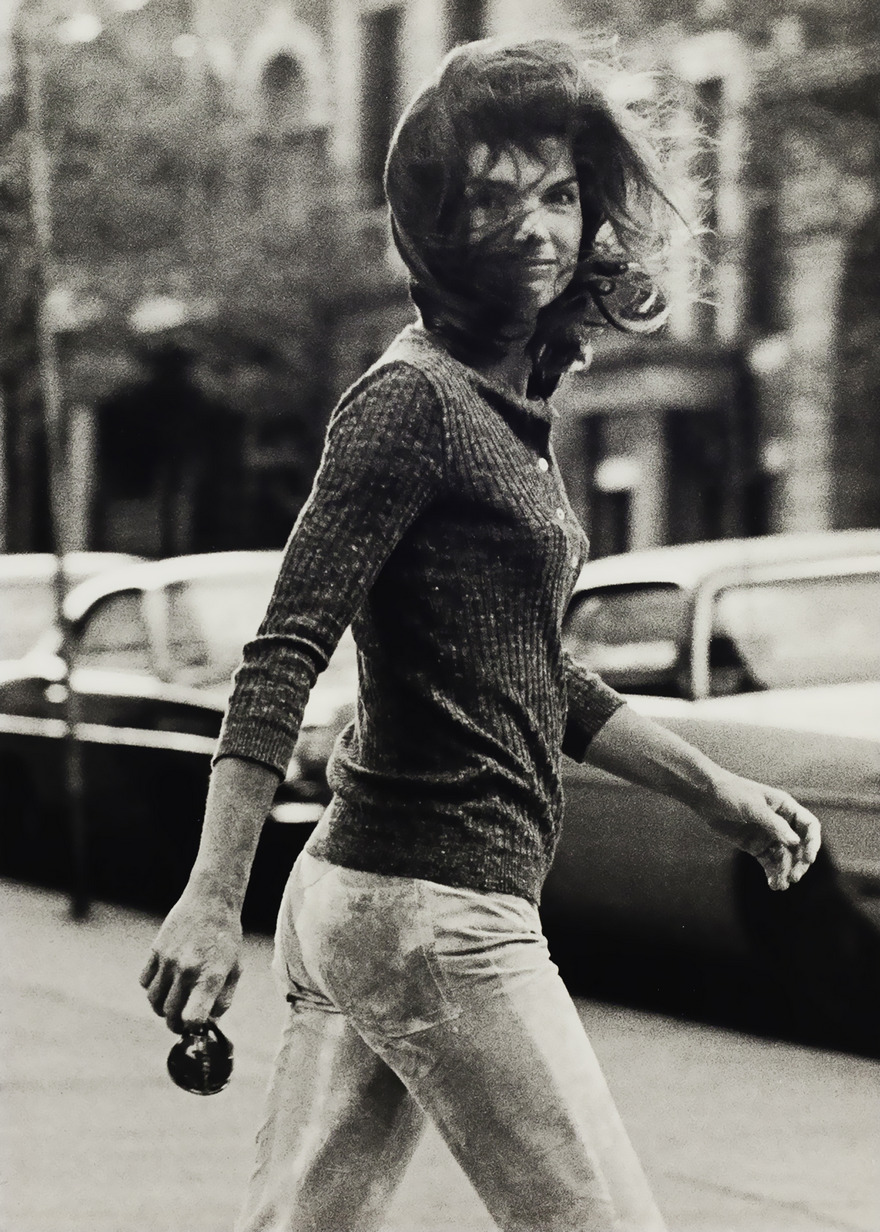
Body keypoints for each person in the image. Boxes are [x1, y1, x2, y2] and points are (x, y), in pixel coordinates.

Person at [141, 35, 820, 1232]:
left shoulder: (507, 406)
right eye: (494, 197)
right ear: (439, 222)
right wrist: (208, 893)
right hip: (433, 906)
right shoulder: (412, 403)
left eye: (558, 193)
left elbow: (534, 672)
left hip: (383, 897)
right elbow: (285, 646)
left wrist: (712, 786)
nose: (536, 227)